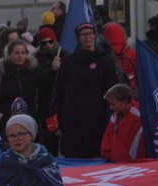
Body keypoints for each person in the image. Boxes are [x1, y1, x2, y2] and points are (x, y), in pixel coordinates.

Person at [51, 22, 119, 158]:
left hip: (97, 120)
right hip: (72, 120)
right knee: (74, 160)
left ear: (95, 36)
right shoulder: (69, 61)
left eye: (90, 33)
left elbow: (113, 90)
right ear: (78, 38)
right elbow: (59, 91)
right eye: (83, 34)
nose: (87, 37)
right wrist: (55, 116)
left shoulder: (106, 61)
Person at [0, 39, 41, 136]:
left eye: (23, 52)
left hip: (30, 119)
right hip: (8, 120)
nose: (20, 56)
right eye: (16, 53)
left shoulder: (33, 71)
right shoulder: (1, 73)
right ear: (10, 55)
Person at [33, 27, 66, 154]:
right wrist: (52, 70)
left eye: (50, 41)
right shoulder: (36, 59)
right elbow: (42, 82)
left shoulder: (65, 55)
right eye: (44, 43)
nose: (48, 45)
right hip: (46, 103)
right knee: (50, 137)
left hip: (62, 102)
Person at [100, 84, 145, 162]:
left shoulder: (139, 118)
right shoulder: (114, 117)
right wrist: (107, 156)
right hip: (115, 163)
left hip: (132, 164)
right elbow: (107, 139)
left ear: (125, 103)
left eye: (113, 104)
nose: (110, 107)